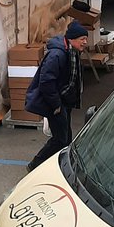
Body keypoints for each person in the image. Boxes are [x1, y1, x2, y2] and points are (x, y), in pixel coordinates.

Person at [25, 21, 88, 171]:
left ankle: (63, 164)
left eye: (86, 38)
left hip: (64, 100)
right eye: (82, 39)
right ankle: (35, 165)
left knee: (66, 137)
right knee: (60, 139)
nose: (85, 42)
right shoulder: (57, 55)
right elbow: (46, 82)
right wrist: (56, 105)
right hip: (56, 104)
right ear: (72, 39)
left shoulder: (71, 51)